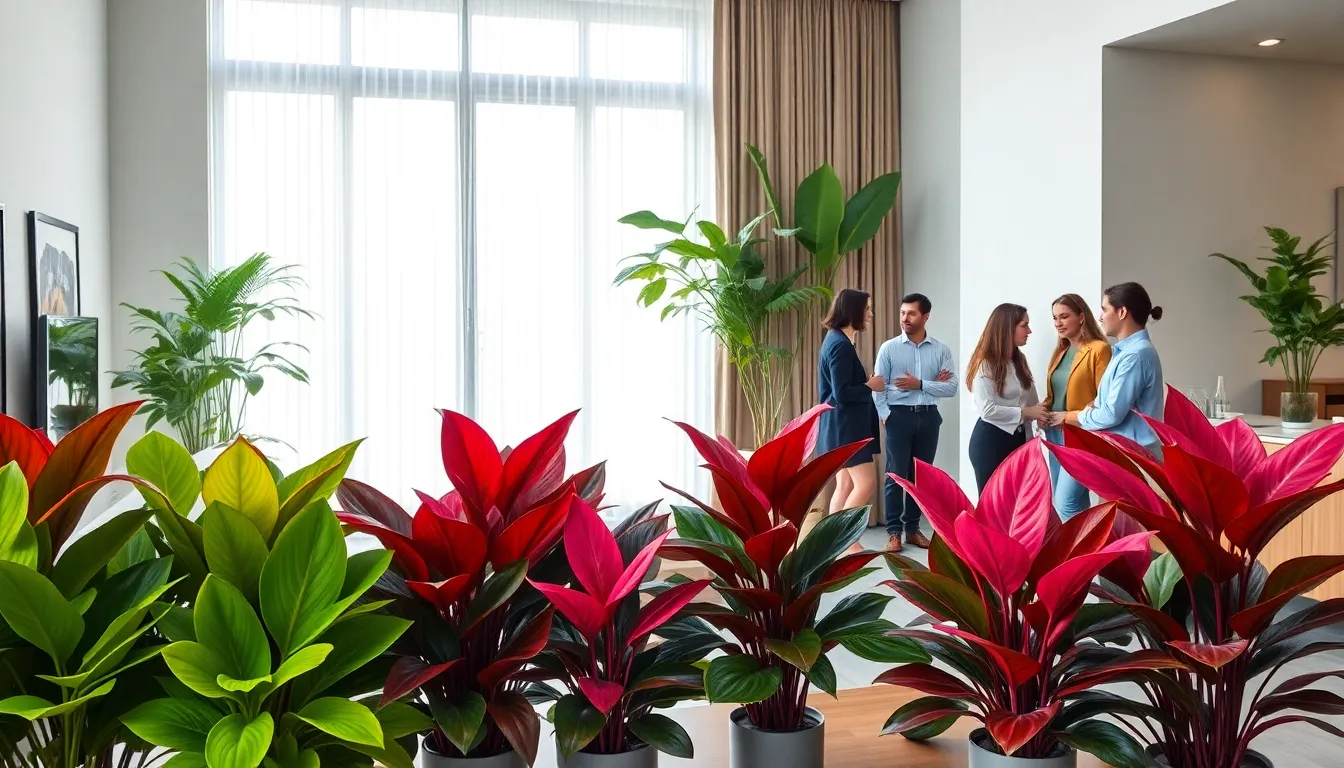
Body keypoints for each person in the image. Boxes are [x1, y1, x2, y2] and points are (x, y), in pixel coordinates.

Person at [873, 293, 957, 552]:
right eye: (902, 313)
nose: (904, 318)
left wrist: (920, 384)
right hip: (898, 415)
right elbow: (878, 386)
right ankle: (894, 532)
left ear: (926, 316)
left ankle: (913, 530)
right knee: (896, 475)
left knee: (921, 477)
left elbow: (951, 387)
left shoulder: (941, 350)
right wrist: (886, 414)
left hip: (929, 417)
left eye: (911, 313)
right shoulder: (889, 348)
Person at [1049, 282, 1165, 453]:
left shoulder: (1135, 355)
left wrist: (1068, 416)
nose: (1100, 317)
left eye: (1105, 309)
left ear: (1122, 312)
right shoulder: (1124, 352)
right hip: (1123, 450)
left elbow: (1111, 414)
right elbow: (1103, 404)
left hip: (1133, 453)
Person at [1042, 294, 1112, 520]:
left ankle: (1079, 554)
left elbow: (1103, 398)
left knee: (1066, 503)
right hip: (1054, 433)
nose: (1058, 323)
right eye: (1055, 318)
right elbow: (1057, 393)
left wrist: (1068, 416)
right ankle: (1087, 552)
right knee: (1074, 503)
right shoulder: (1060, 351)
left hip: (1080, 435)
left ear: (1081, 317)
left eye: (1064, 316)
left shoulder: (1099, 349)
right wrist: (1043, 410)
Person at [967, 303, 1048, 492]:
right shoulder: (985, 364)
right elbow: (987, 411)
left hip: (1018, 440)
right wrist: (1027, 413)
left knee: (1016, 504)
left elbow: (1032, 403)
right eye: (1024, 325)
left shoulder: (1019, 361)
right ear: (1007, 327)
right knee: (993, 506)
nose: (1029, 330)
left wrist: (1040, 415)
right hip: (991, 442)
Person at [817, 289, 885, 516]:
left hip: (840, 428)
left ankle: (833, 543)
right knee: (866, 484)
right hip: (846, 430)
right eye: (867, 309)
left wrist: (865, 382)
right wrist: (870, 386)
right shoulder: (840, 345)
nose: (871, 314)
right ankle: (848, 542)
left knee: (845, 485)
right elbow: (842, 393)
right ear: (853, 311)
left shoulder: (836, 339)